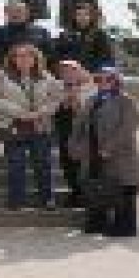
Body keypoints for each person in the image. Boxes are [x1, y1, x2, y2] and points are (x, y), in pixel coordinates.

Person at [70, 67, 139, 237]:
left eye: (108, 79)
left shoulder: (127, 101)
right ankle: (97, 224)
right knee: (96, 188)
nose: (103, 82)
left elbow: (127, 129)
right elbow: (79, 124)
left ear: (117, 80)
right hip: (92, 153)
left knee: (123, 189)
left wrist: (109, 148)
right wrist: (74, 145)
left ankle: (124, 227)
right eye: (99, 79)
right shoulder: (91, 100)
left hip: (120, 154)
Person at [0, 43, 60, 210]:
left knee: (42, 163)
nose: (23, 59)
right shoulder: (1, 76)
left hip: (39, 125)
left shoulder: (47, 77)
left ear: (35, 59)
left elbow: (55, 99)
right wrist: (20, 112)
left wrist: (39, 113)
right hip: (11, 125)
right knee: (16, 163)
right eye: (19, 56)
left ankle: (47, 199)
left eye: (28, 56)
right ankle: (16, 201)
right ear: (12, 59)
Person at [53, 59, 97, 206]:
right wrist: (65, 100)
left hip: (85, 133)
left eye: (71, 70)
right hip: (65, 131)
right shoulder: (58, 87)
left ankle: (85, 194)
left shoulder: (92, 88)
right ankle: (75, 192)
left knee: (84, 165)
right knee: (67, 163)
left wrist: (76, 99)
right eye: (63, 71)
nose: (67, 74)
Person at [53, 3, 114, 72]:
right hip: (70, 71)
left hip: (92, 72)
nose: (82, 17)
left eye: (86, 15)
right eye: (79, 14)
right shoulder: (65, 35)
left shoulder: (99, 35)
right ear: (75, 17)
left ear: (91, 17)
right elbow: (58, 56)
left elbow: (106, 59)